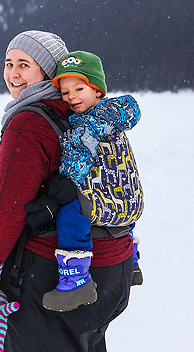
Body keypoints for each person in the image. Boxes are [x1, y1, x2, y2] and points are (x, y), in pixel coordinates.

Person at [0, 30, 134, 352]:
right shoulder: (71, 112)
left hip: (52, 278)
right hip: (107, 269)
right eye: (9, 63)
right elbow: (51, 172)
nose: (13, 73)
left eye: (24, 65)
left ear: (47, 71)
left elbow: (10, 209)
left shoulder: (29, 121)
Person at [40, 51, 144, 312]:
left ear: (98, 90)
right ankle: (131, 262)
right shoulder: (113, 114)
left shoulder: (89, 125)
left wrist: (58, 186)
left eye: (79, 88)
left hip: (107, 200)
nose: (71, 96)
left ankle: (75, 280)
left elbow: (76, 166)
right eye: (64, 93)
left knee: (70, 213)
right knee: (118, 218)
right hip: (130, 199)